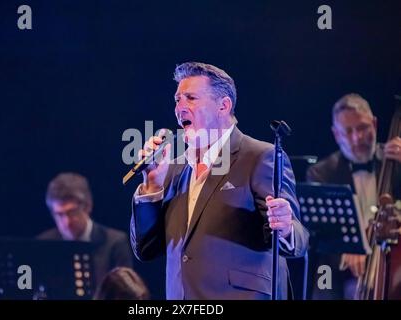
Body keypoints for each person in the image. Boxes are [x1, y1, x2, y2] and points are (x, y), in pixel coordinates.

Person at [129, 62, 309, 300]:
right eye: (177, 100)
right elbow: (146, 250)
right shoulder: (173, 169)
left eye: (190, 98)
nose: (180, 107)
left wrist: (285, 227)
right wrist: (152, 185)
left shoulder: (259, 156)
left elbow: (297, 239)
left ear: (223, 106)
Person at [306, 93, 401, 299]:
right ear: (336, 134)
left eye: (363, 128)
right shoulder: (322, 173)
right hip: (343, 273)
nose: (357, 138)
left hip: (392, 261)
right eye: (348, 131)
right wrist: (348, 247)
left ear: (374, 124)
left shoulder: (396, 160)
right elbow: (322, 234)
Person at [37, 172, 134, 289]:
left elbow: (125, 293)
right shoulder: (44, 243)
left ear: (88, 206)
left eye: (72, 212)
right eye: (60, 215)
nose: (67, 222)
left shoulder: (115, 242)